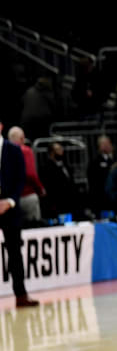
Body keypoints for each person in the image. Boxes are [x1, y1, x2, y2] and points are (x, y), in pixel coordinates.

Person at [0, 119, 39, 307]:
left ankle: (21, 295)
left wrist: (10, 201)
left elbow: (21, 177)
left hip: (10, 208)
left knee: (15, 253)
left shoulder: (14, 150)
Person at [7, 126, 46, 225]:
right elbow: (30, 174)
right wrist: (40, 189)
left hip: (9, 200)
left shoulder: (4, 152)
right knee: (33, 228)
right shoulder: (25, 150)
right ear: (22, 138)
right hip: (27, 196)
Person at [39, 142, 79, 221]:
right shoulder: (45, 168)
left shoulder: (66, 166)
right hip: (56, 206)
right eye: (58, 149)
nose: (61, 151)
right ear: (51, 152)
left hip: (69, 204)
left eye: (61, 149)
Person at [87, 135, 115, 218]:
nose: (107, 145)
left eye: (108, 143)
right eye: (104, 144)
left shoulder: (116, 159)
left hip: (114, 198)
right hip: (101, 199)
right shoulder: (95, 162)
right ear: (99, 146)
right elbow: (93, 183)